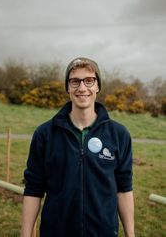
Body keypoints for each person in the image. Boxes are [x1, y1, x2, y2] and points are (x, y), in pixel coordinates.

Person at [21, 57, 135, 237]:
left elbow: (124, 189)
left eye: (89, 80)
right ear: (67, 87)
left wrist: (131, 234)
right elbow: (34, 189)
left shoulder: (119, 135)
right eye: (75, 81)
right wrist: (25, 234)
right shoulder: (45, 134)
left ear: (98, 86)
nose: (82, 88)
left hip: (103, 232)